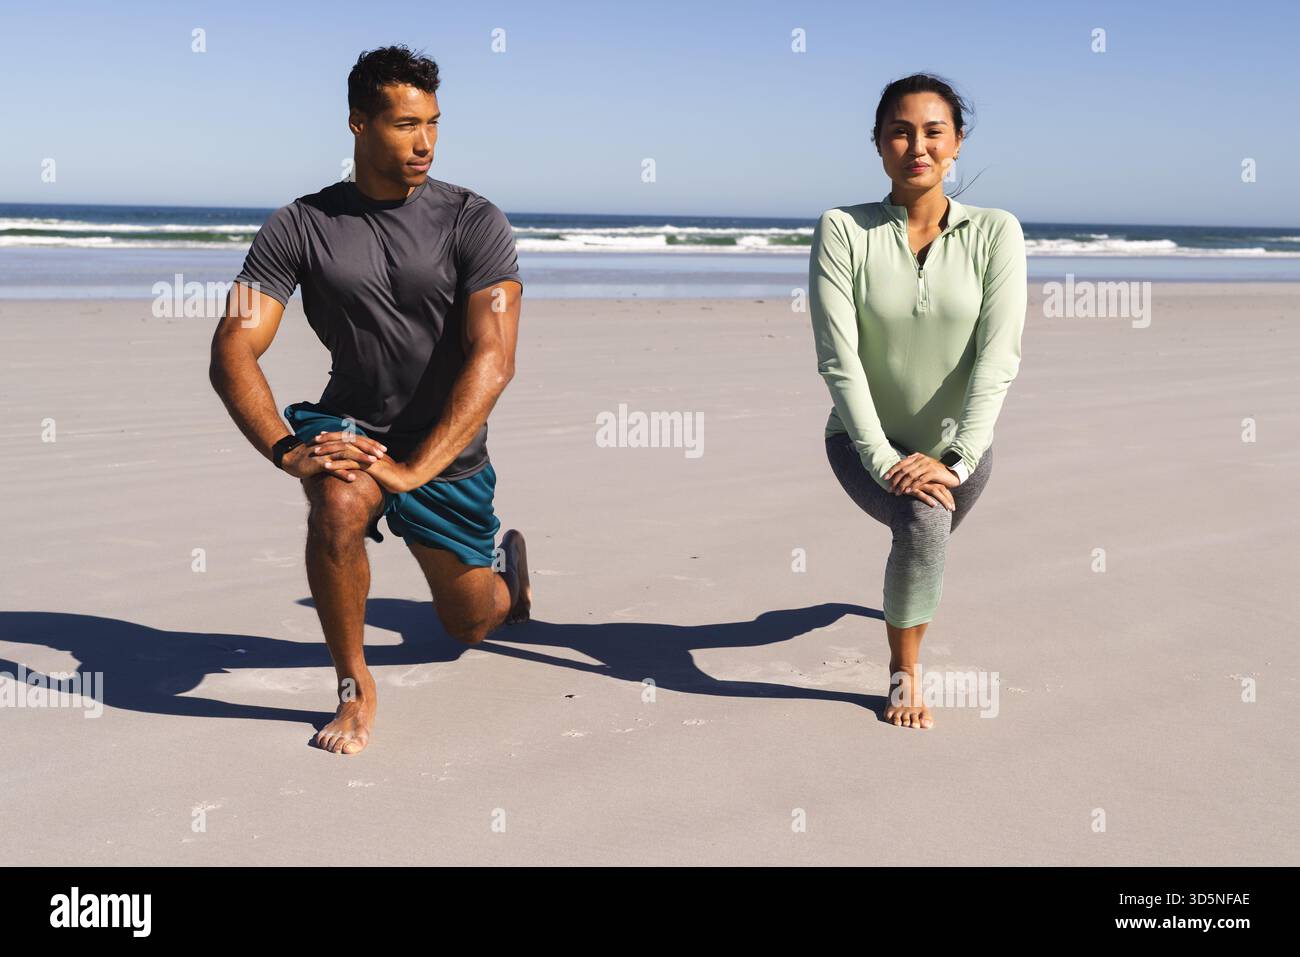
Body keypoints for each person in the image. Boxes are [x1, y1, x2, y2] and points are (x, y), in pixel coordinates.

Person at [209, 45, 530, 755]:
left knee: (468, 623)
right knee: (336, 497)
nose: (424, 143)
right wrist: (288, 450)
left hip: (447, 455)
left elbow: (495, 358)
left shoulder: (475, 220)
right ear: (358, 123)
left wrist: (414, 471)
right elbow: (233, 344)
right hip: (353, 425)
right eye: (404, 123)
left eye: (434, 124)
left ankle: (512, 582)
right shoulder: (298, 224)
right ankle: (355, 684)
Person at [808, 73, 1027, 731]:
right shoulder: (843, 229)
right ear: (878, 143)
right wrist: (883, 460)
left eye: (934, 130)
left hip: (964, 448)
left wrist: (957, 461)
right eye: (900, 131)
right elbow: (837, 359)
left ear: (956, 142)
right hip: (858, 440)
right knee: (923, 524)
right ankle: (904, 673)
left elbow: (999, 358)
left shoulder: (998, 233)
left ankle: (905, 582)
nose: (917, 145)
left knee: (922, 532)